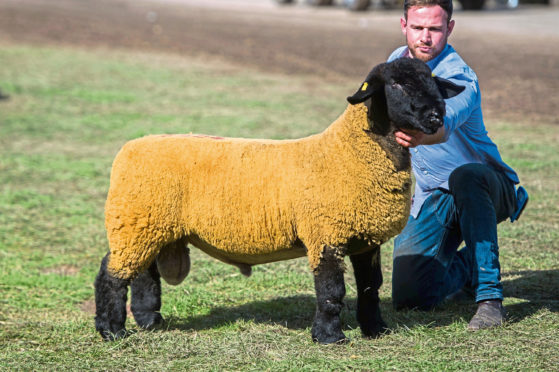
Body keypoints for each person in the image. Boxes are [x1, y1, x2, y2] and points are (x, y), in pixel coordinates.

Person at [388, 0, 527, 330]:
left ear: (449, 29)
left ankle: (489, 298)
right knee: (411, 299)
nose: (425, 37)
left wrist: (420, 135)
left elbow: (442, 124)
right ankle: (469, 266)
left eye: (434, 29)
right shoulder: (395, 62)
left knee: (465, 176)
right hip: (431, 194)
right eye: (418, 28)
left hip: (486, 187)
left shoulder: (460, 77)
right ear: (403, 25)